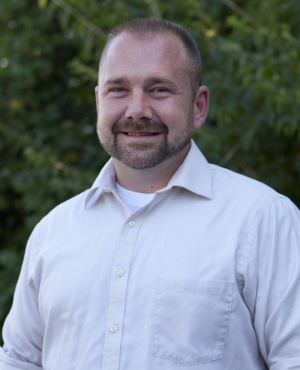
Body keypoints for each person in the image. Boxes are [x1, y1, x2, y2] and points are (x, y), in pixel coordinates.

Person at [0, 18, 299, 370]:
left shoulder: (264, 220)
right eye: (118, 90)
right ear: (98, 101)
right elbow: (18, 361)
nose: (137, 109)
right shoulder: (53, 233)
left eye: (159, 89)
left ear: (199, 106)